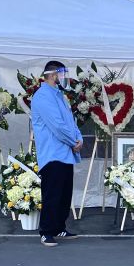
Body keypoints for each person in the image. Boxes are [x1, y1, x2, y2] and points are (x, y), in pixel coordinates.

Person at [31, 61, 82, 247]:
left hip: (65, 153)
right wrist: (73, 142)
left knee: (64, 195)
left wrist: (79, 138)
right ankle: (46, 231)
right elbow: (57, 126)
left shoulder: (60, 95)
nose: (64, 77)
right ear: (52, 75)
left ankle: (60, 227)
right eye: (62, 74)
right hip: (52, 154)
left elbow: (70, 121)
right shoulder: (43, 96)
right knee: (52, 194)